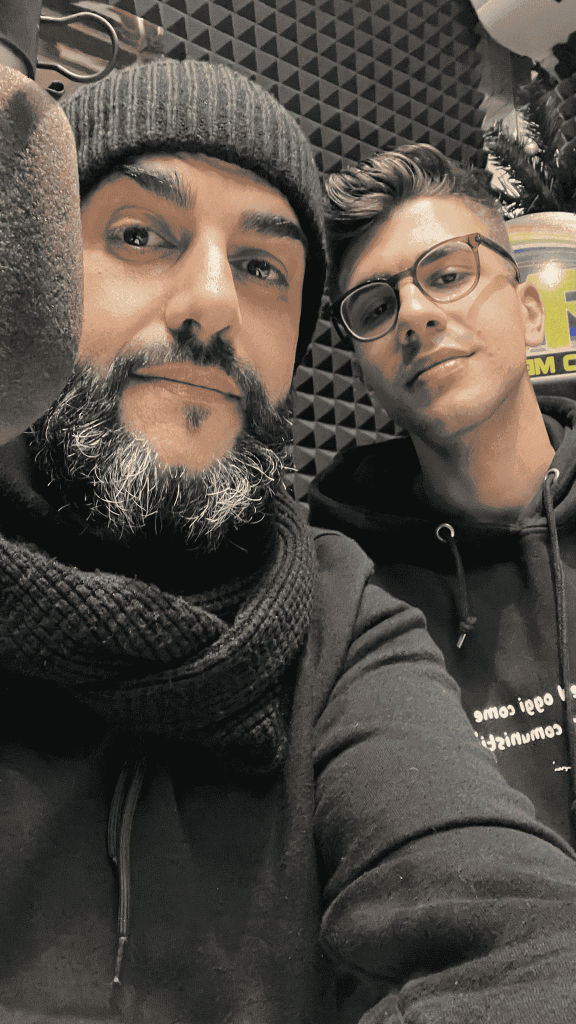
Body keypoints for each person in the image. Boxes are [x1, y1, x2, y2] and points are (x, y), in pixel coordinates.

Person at [3, 16, 576, 1020]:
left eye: (263, 267)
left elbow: (519, 938)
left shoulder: (339, 618)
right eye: (139, 234)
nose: (213, 301)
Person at [310, 141, 576, 852]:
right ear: (362, 370)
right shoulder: (340, 589)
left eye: (449, 274)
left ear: (529, 312)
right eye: (376, 305)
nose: (414, 314)